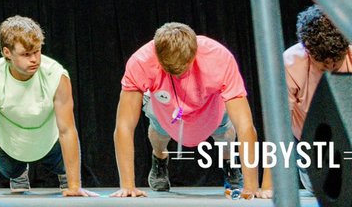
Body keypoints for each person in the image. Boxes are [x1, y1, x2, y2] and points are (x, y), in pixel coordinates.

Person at [112, 22, 267, 199]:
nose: (177, 75)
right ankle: (160, 158)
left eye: (182, 68)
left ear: (194, 53)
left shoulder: (219, 57)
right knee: (157, 134)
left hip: (210, 109)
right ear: (157, 55)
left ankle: (230, 164)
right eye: (171, 69)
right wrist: (127, 186)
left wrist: (251, 186)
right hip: (164, 110)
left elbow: (245, 125)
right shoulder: (141, 61)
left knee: (227, 135)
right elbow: (124, 125)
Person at [0, 16, 93, 197]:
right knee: (9, 170)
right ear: (7, 52)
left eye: (37, 51)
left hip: (49, 141)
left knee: (62, 164)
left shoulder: (56, 74)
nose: (34, 59)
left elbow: (67, 130)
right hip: (12, 144)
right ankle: (19, 174)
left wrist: (74, 185)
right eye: (26, 54)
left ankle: (64, 175)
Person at [261, 5, 352, 193]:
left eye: (335, 63)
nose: (329, 67)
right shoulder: (289, 63)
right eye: (322, 64)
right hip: (311, 141)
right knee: (326, 189)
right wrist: (269, 185)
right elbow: (278, 127)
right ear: (307, 50)